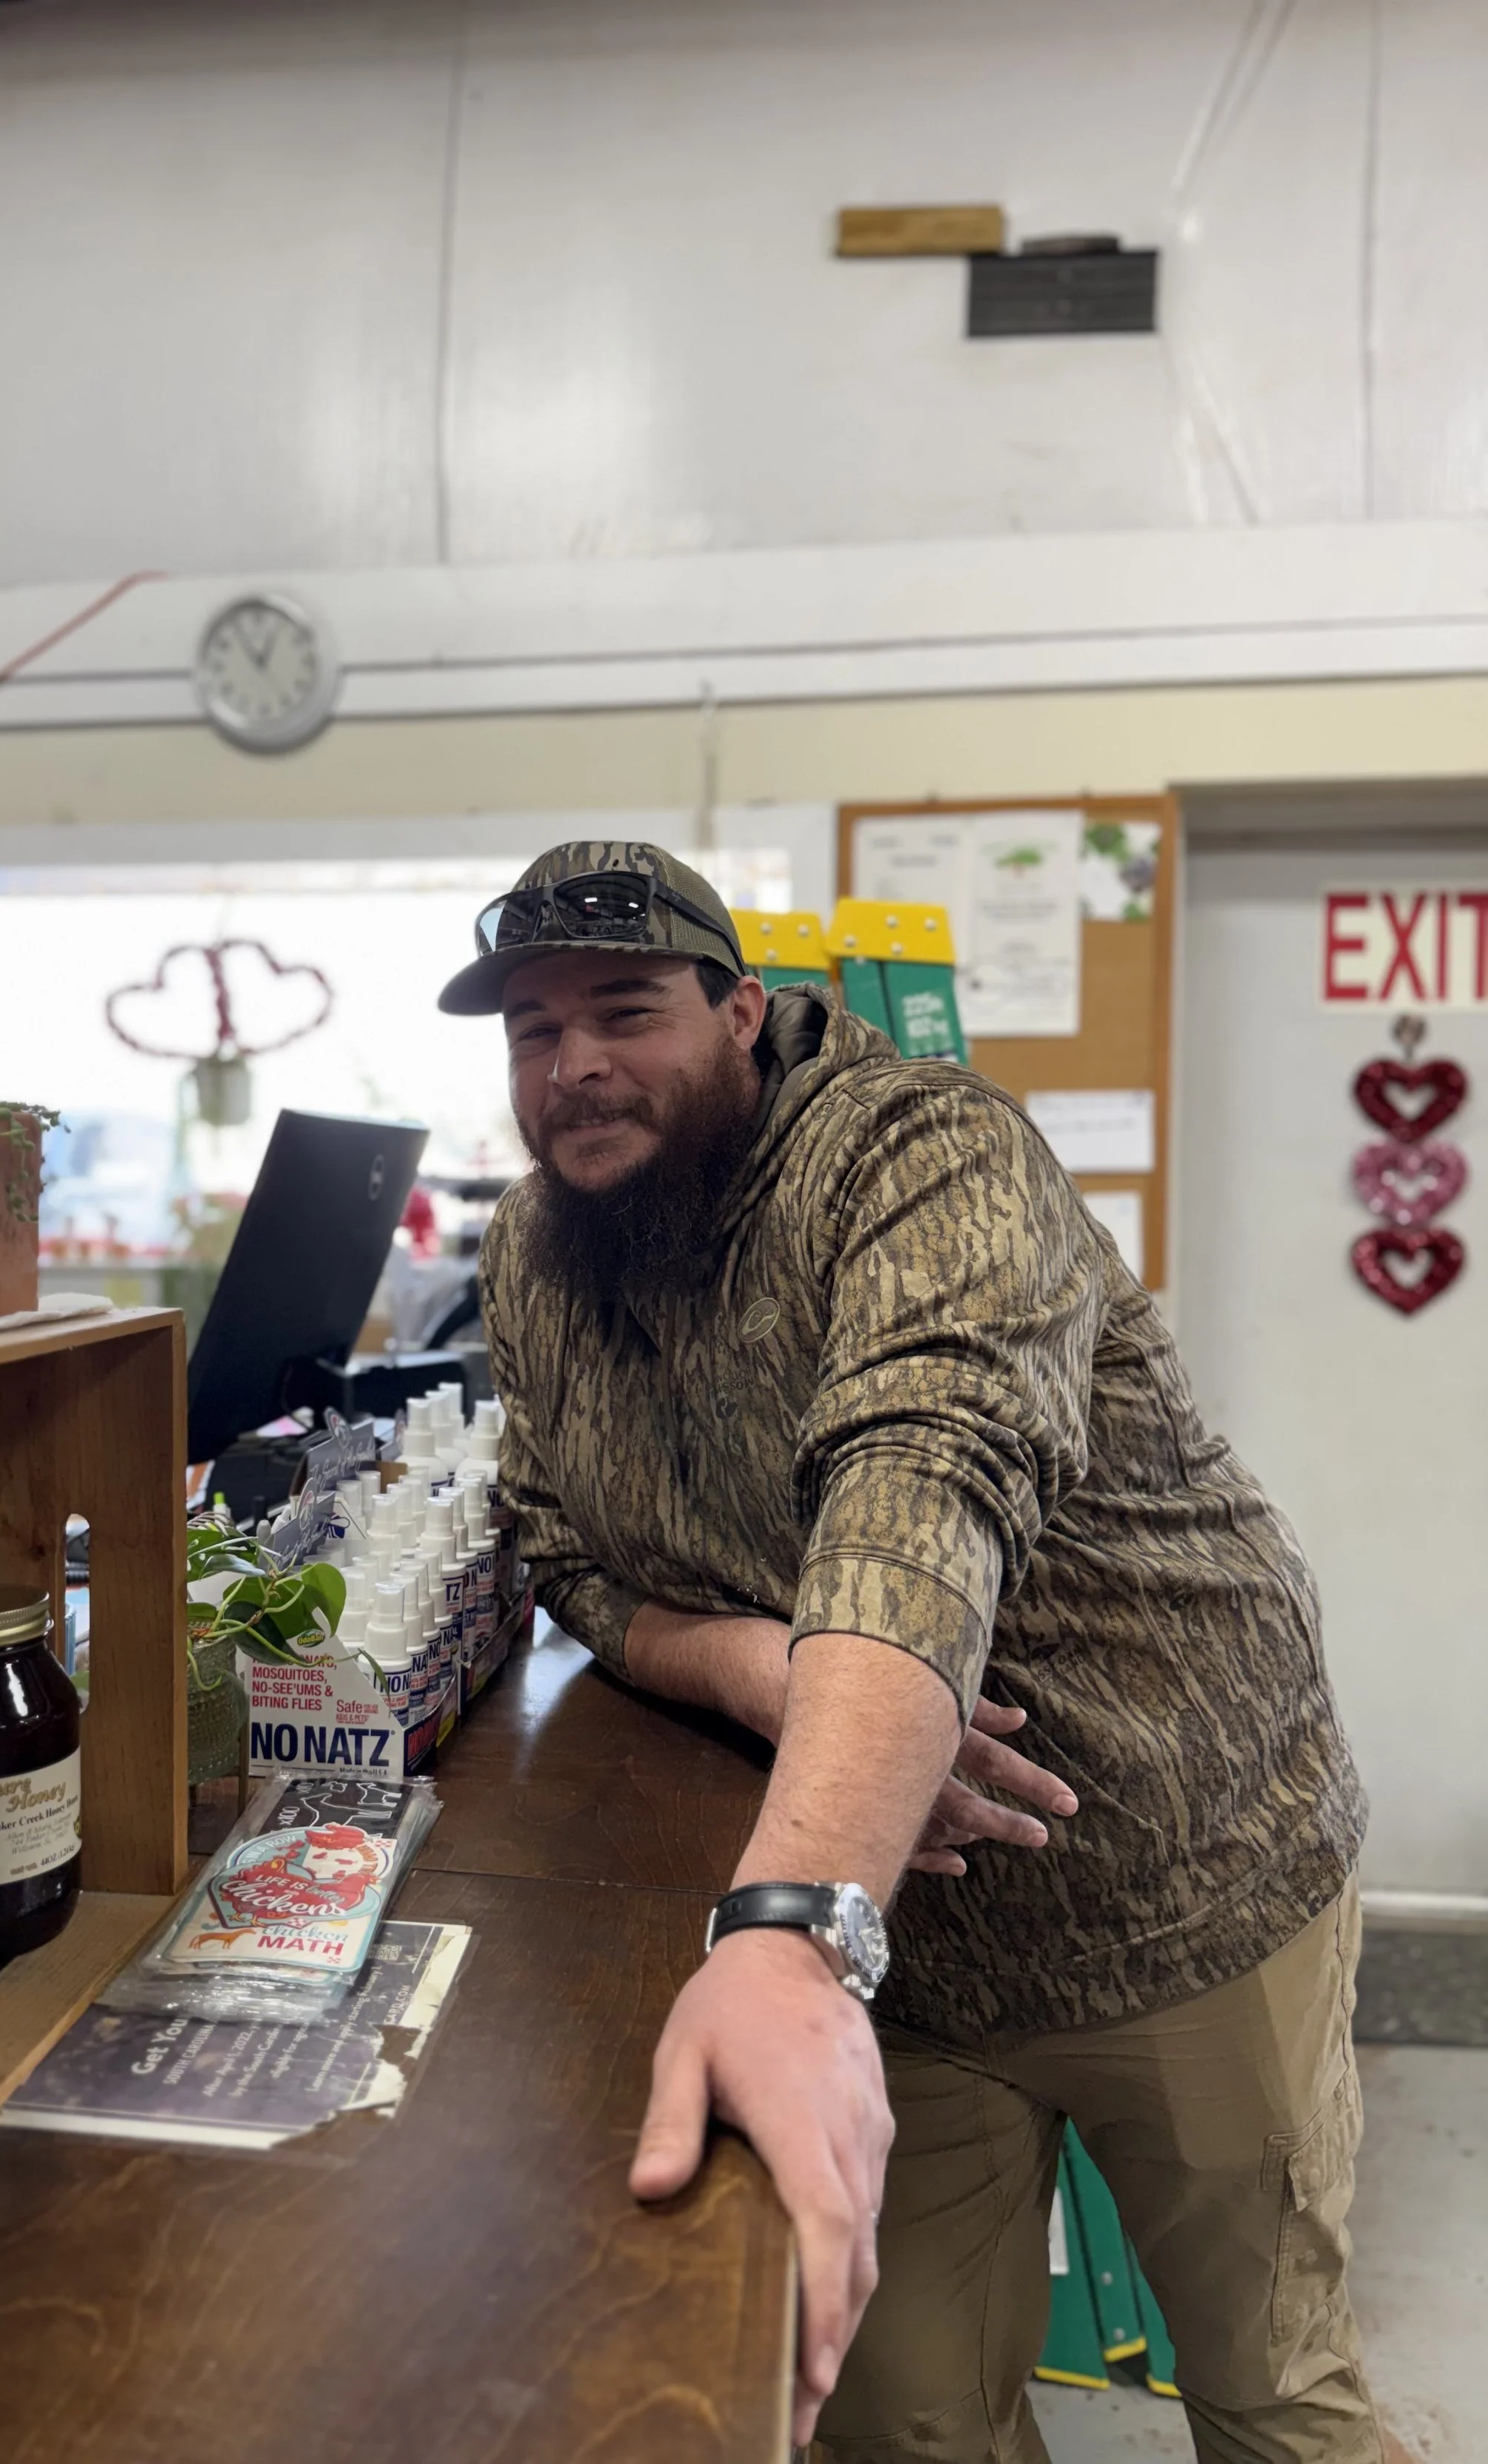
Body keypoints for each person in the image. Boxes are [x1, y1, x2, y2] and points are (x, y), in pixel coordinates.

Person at [440, 841, 1380, 2463]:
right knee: (903, 2424)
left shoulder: (925, 1152)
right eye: (531, 1027)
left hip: (1175, 1879)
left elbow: (914, 1487)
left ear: (742, 1010)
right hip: (899, 1942)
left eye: (623, 1007)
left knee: (1272, 2397)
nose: (574, 1061)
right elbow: (567, 1556)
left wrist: (787, 1928)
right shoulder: (537, 1249)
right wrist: (766, 1672)